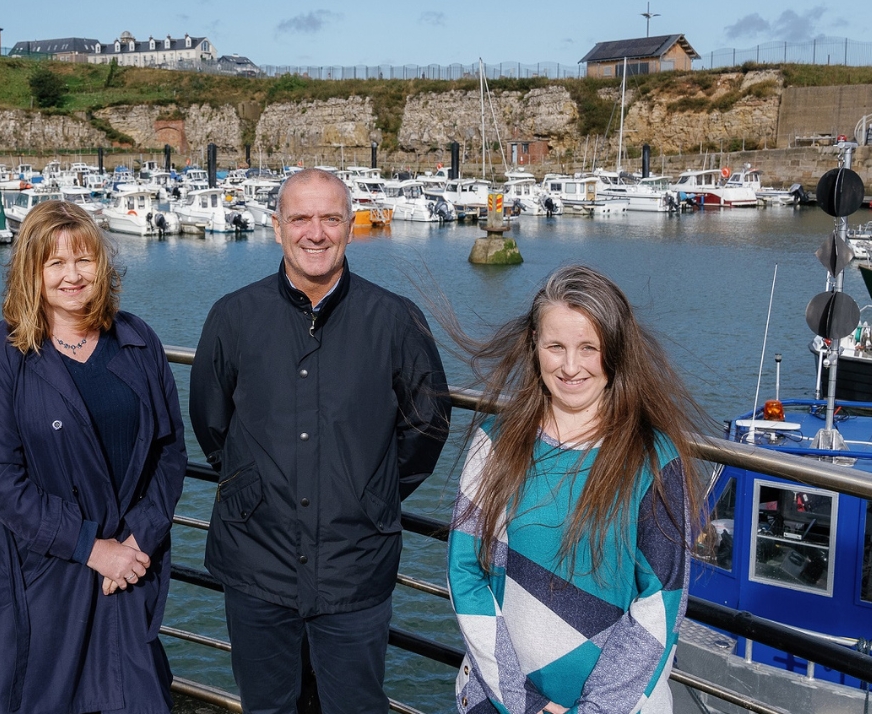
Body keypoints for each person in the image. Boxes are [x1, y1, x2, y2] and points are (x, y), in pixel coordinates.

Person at [191, 167, 452, 713]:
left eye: (330, 218)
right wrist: (253, 489)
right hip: (256, 559)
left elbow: (426, 428)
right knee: (267, 706)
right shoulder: (232, 317)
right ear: (277, 226)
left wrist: (367, 492)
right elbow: (212, 424)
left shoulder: (396, 320)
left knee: (355, 706)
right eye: (301, 218)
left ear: (350, 226)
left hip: (353, 563)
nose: (316, 232)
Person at [447, 264, 702, 714]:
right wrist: (523, 702)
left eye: (589, 348)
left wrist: (595, 709)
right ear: (534, 346)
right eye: (555, 346)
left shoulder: (654, 459)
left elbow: (661, 600)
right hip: (499, 700)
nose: (570, 367)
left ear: (616, 351)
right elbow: (465, 572)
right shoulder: (495, 442)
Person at [0, 201, 189, 714]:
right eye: (55, 263)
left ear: (102, 265)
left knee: (137, 696)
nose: (72, 275)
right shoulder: (5, 354)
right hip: (49, 572)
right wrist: (92, 547)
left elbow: (169, 452)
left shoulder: (136, 341)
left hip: (129, 571)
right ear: (31, 271)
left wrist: (138, 538)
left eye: (84, 260)